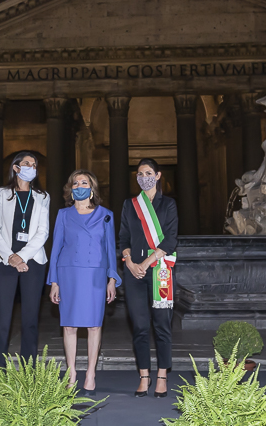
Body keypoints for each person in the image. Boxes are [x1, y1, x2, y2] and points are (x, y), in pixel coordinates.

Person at [48, 170, 120, 395]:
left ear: (92, 188)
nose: (79, 185)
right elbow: (56, 248)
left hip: (95, 276)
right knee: (69, 325)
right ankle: (71, 374)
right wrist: (54, 281)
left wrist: (112, 279)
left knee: (94, 325)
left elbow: (110, 249)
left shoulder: (106, 214)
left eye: (84, 182)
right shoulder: (63, 214)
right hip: (68, 273)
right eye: (75, 182)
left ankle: (90, 374)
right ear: (70, 189)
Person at [120, 158, 179, 398]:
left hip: (160, 270)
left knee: (161, 324)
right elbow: (123, 238)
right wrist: (129, 261)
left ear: (157, 175)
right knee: (140, 326)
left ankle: (162, 375)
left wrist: (145, 263)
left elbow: (171, 239)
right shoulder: (130, 205)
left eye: (147, 172)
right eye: (139, 173)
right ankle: (144, 375)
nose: (143, 176)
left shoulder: (169, 205)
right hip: (134, 271)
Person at [0, 151, 50, 367]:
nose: (31, 167)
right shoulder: (1, 194)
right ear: (16, 167)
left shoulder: (43, 197)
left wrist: (21, 257)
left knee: (30, 320)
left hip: (33, 262)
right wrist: (10, 257)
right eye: (27, 163)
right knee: (2, 319)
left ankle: (28, 370)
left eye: (34, 164)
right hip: (4, 261)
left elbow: (43, 232)